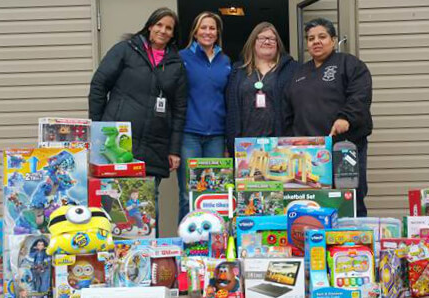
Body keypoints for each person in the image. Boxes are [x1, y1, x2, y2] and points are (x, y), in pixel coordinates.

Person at [88, 8, 187, 232]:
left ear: (173, 34)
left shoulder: (176, 65)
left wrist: (174, 150)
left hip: (155, 143)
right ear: (150, 26)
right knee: (113, 197)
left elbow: (180, 110)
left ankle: (150, 258)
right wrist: (98, 127)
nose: (163, 30)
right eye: (159, 25)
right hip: (117, 141)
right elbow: (98, 86)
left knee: (148, 200)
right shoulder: (125, 50)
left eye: (168, 28)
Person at [284, 18, 373, 217]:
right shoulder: (299, 73)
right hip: (309, 154)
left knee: (349, 199)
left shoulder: (349, 64)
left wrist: (345, 118)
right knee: (313, 203)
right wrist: (289, 141)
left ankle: (352, 245)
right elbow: (288, 111)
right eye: (311, 38)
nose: (316, 42)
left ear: (333, 40)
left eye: (322, 37)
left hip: (344, 147)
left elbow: (360, 94)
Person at [177, 12, 231, 222]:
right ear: (195, 31)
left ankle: (211, 246)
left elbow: (228, 100)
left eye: (212, 28)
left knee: (212, 193)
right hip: (189, 134)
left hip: (216, 137)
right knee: (187, 193)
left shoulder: (225, 61)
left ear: (217, 33)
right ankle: (185, 244)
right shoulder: (182, 58)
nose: (208, 32)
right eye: (203, 27)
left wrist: (227, 140)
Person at [225, 22, 299, 155]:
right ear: (253, 42)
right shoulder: (238, 70)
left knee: (278, 174)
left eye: (272, 38)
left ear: (277, 43)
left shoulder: (291, 69)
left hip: (280, 143)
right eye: (262, 38)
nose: (267, 41)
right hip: (245, 144)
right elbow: (230, 107)